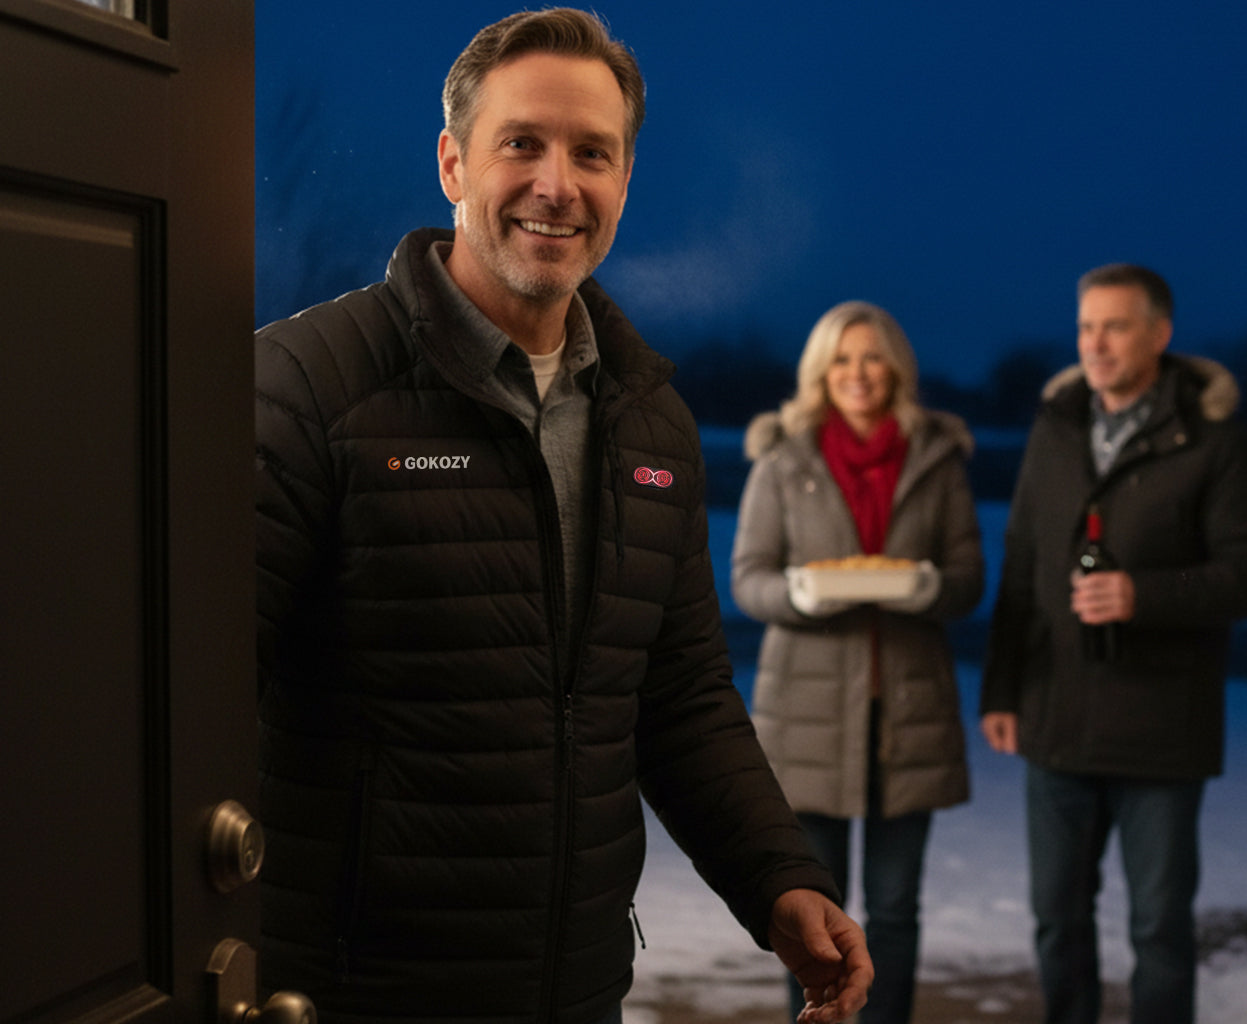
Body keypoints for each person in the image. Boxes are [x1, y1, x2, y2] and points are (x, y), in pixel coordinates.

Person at [253, 11, 871, 1024]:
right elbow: (187, 715)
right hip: (352, 988)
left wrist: (779, 877)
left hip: (576, 983)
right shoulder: (307, 388)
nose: (558, 183)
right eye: (522, 144)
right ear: (453, 163)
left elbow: (678, 695)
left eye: (594, 153)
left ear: (626, 180)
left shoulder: (650, 420)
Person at [979, 264, 1247, 1024]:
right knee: (1057, 922)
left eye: (1115, 326)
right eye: (1086, 327)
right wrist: (1001, 689)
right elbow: (1020, 560)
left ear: (1159, 333)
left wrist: (1142, 595)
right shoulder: (1055, 429)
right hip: (1056, 719)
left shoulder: (1215, 442)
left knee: (1160, 929)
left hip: (1161, 732)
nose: (1096, 343)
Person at [731, 301, 985, 1024]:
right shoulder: (783, 457)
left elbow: (968, 578)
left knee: (898, 908)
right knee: (811, 912)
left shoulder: (937, 456)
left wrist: (930, 586)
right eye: (841, 359)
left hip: (910, 718)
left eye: (872, 357)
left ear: (896, 368)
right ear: (820, 372)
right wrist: (800, 593)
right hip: (806, 722)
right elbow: (747, 578)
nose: (858, 374)